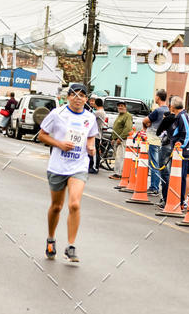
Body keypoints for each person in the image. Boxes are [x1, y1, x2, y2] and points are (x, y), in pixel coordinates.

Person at [38, 82, 98, 264]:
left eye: (82, 95)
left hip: (79, 166)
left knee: (74, 204)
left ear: (87, 99)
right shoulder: (57, 114)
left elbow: (91, 136)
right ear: (68, 97)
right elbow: (42, 135)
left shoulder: (90, 117)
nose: (78, 98)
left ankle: (71, 246)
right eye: (74, 94)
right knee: (57, 206)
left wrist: (91, 147)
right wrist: (60, 144)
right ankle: (50, 239)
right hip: (58, 166)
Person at [157, 97, 189, 208]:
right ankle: (175, 200)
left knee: (180, 177)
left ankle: (180, 201)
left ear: (172, 106)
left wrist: (181, 145)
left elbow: (187, 133)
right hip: (176, 151)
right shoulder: (178, 117)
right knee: (175, 176)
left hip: (182, 152)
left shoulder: (182, 116)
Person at [142, 89, 168, 196]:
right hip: (164, 141)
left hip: (153, 139)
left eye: (156, 96)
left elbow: (145, 120)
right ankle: (159, 187)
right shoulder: (168, 111)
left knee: (153, 164)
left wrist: (145, 128)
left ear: (158, 97)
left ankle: (154, 187)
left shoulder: (157, 111)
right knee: (161, 165)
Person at [109, 101, 133, 179]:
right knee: (118, 156)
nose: (120, 107)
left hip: (123, 140)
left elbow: (128, 128)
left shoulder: (127, 116)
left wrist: (121, 138)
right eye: (119, 106)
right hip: (117, 139)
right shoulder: (120, 115)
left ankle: (118, 174)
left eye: (122, 106)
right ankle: (117, 173)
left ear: (125, 107)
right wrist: (113, 138)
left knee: (120, 157)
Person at [89, 97, 106, 173]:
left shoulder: (99, 112)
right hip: (96, 134)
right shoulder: (100, 112)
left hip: (96, 134)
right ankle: (92, 166)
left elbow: (89, 117)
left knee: (94, 152)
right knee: (93, 151)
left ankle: (95, 167)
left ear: (96, 104)